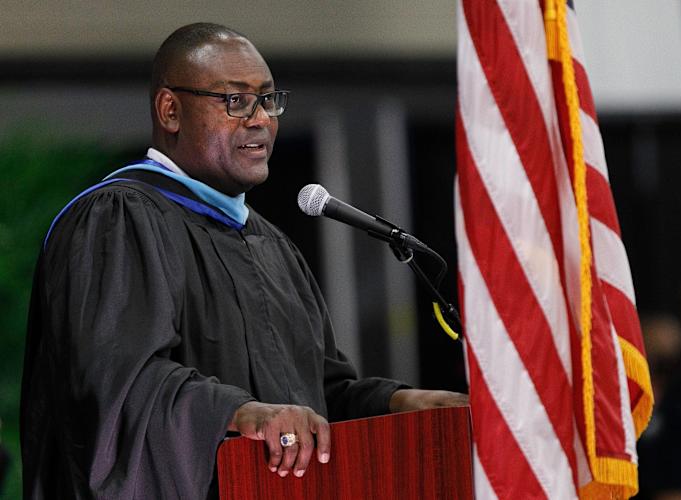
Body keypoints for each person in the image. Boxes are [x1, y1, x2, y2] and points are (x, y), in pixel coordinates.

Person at [20, 22, 467, 499]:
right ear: (170, 110)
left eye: (267, 100)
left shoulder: (271, 246)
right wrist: (241, 413)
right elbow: (117, 389)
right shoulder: (117, 220)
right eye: (235, 101)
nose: (260, 119)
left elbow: (318, 398)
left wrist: (401, 402)